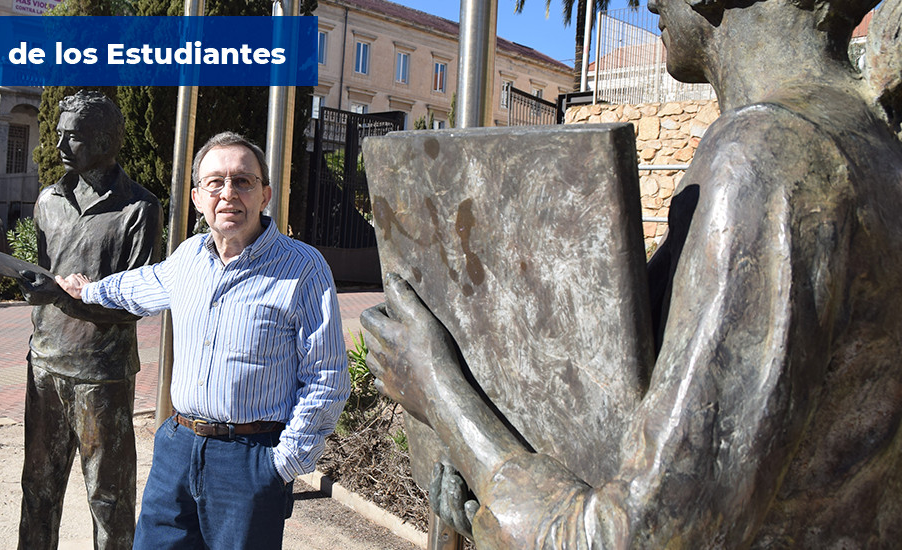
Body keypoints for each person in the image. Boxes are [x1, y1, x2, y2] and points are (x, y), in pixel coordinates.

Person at [361, 0, 902, 547]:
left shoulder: (767, 160)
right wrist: (478, 477)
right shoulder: (863, 141)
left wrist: (439, 390)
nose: (649, 3)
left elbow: (634, 536)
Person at [57, 131, 350, 550]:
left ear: (264, 195)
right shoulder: (188, 257)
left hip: (250, 458)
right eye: (215, 182)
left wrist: (282, 464)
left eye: (242, 181)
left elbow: (327, 376)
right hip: (178, 447)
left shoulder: (303, 268)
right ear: (197, 198)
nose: (228, 193)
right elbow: (140, 285)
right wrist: (87, 290)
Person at [14, 91, 162, 550]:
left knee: (109, 498)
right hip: (44, 364)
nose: (59, 144)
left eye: (72, 136)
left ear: (104, 141)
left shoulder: (138, 209)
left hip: (101, 374)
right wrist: (34, 286)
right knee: (37, 490)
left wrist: (62, 297)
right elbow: (44, 276)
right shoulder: (48, 201)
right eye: (57, 133)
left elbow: (134, 301)